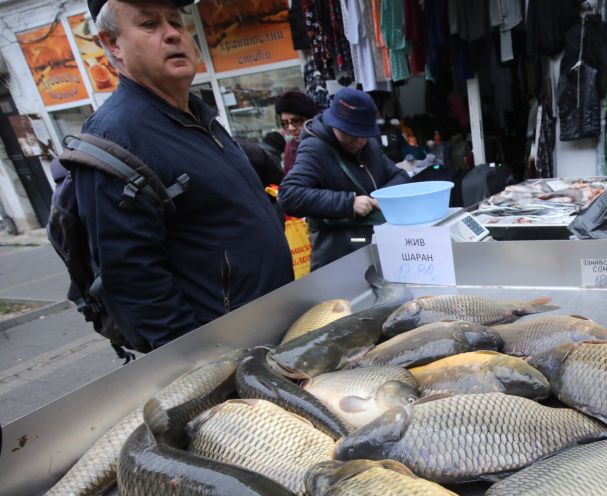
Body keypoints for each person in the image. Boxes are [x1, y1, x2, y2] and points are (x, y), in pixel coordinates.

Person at [75, 0, 292, 351]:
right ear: (113, 44)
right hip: (228, 353)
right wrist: (200, 364)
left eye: (176, 21)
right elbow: (134, 282)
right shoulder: (116, 138)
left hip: (269, 328)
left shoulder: (198, 116)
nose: (173, 34)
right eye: (149, 24)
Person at [278, 88, 408, 271]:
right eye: (353, 136)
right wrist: (348, 202)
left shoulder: (367, 143)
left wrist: (382, 196)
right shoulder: (314, 148)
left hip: (378, 249)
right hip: (339, 258)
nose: (360, 142)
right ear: (335, 125)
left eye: (364, 135)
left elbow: (400, 175)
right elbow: (289, 195)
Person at [274, 90, 319, 176]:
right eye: (285, 123)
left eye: (297, 121)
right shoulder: (290, 148)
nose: (291, 128)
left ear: (310, 118)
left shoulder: (326, 142)